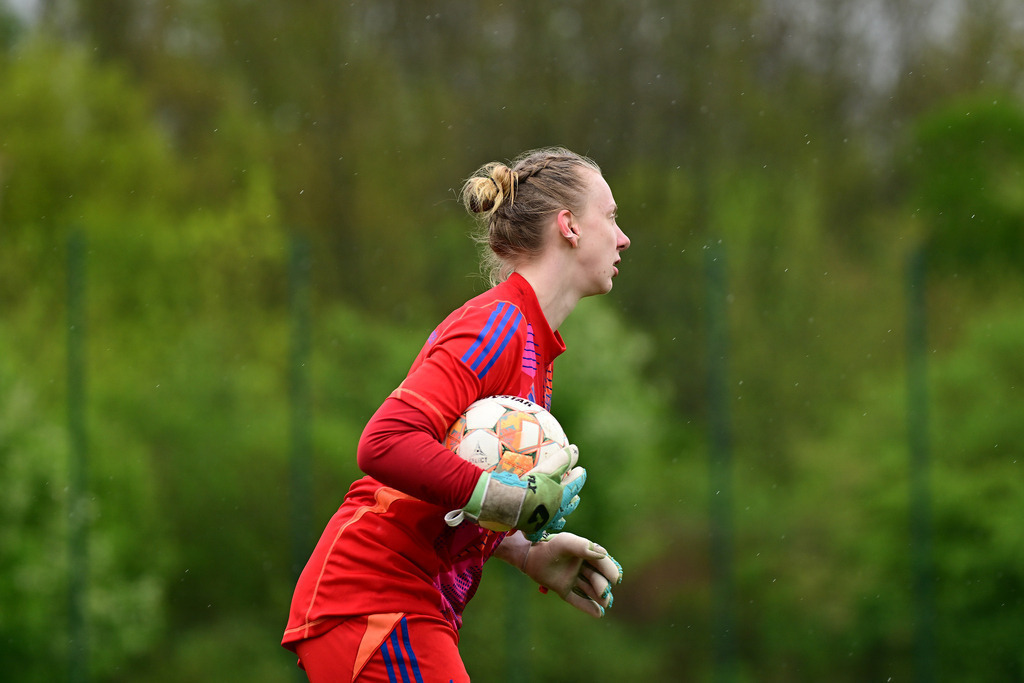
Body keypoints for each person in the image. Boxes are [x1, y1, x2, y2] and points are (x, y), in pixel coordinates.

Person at [282, 147, 630, 682]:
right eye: (609, 216)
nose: (622, 236)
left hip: (402, 606)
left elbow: (450, 487)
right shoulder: (499, 326)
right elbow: (385, 441)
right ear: (570, 227)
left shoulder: (531, 343)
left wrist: (525, 553)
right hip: (375, 599)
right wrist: (505, 498)